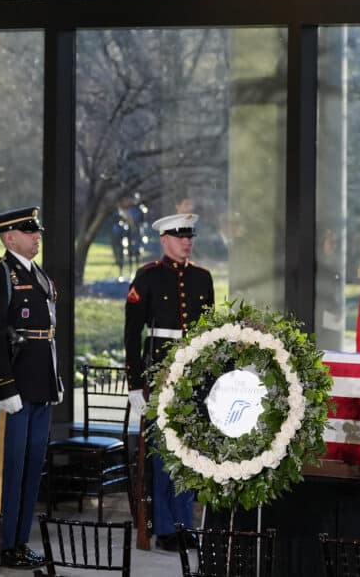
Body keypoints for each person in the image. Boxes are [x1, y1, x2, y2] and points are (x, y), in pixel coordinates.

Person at [0, 207, 62, 569]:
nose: (37, 236)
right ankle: (2, 542)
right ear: (10, 238)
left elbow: (48, 336)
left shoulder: (38, 274)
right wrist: (4, 387)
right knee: (9, 467)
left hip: (40, 387)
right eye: (30, 232)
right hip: (13, 390)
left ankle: (19, 541)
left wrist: (54, 381)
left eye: (37, 231)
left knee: (31, 467)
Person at [124, 213, 214, 551]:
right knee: (163, 455)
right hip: (160, 375)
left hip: (194, 377)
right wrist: (135, 385)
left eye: (190, 235)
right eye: (180, 236)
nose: (187, 241)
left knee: (189, 453)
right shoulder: (148, 277)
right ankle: (165, 528)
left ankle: (185, 523)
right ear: (164, 240)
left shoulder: (203, 278)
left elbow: (209, 332)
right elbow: (132, 334)